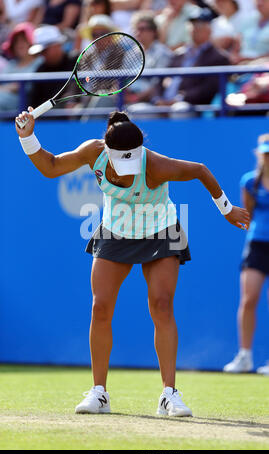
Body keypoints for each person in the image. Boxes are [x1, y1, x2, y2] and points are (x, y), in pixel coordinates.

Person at [15, 108, 250, 415]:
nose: (128, 166)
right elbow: (51, 166)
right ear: (106, 148)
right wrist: (27, 136)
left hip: (161, 230)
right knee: (100, 307)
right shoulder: (93, 152)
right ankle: (99, 393)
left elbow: (200, 170)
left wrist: (226, 207)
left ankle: (169, 394)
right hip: (115, 230)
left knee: (161, 304)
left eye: (132, 158)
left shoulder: (156, 165)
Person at [224, 134, 269, 376]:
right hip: (257, 245)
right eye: (265, 153)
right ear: (260, 155)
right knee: (248, 299)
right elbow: (248, 214)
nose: (268, 157)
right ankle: (245, 356)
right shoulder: (249, 182)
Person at [152, 8, 231, 112]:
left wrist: (179, 99)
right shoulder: (178, 54)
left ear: (209, 29)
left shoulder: (218, 57)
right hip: (165, 104)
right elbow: (160, 79)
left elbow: (208, 89)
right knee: (138, 110)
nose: (194, 29)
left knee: (179, 110)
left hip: (192, 106)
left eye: (199, 25)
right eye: (192, 24)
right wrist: (158, 99)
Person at [125, 12, 174, 106]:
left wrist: (137, 98)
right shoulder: (130, 54)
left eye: (142, 29)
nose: (138, 32)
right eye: (136, 29)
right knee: (104, 101)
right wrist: (125, 96)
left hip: (150, 101)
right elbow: (122, 79)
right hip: (129, 99)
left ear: (154, 32)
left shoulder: (163, 53)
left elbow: (158, 85)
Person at [27, 24, 77, 110]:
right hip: (46, 120)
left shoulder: (76, 60)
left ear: (57, 45)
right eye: (41, 52)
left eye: (45, 50)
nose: (42, 55)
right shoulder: (40, 70)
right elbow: (34, 104)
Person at [0, 22, 42, 111]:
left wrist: (11, 87)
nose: (20, 45)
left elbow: (29, 87)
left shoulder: (40, 62)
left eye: (24, 40)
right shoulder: (11, 64)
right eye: (17, 42)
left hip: (24, 109)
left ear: (31, 43)